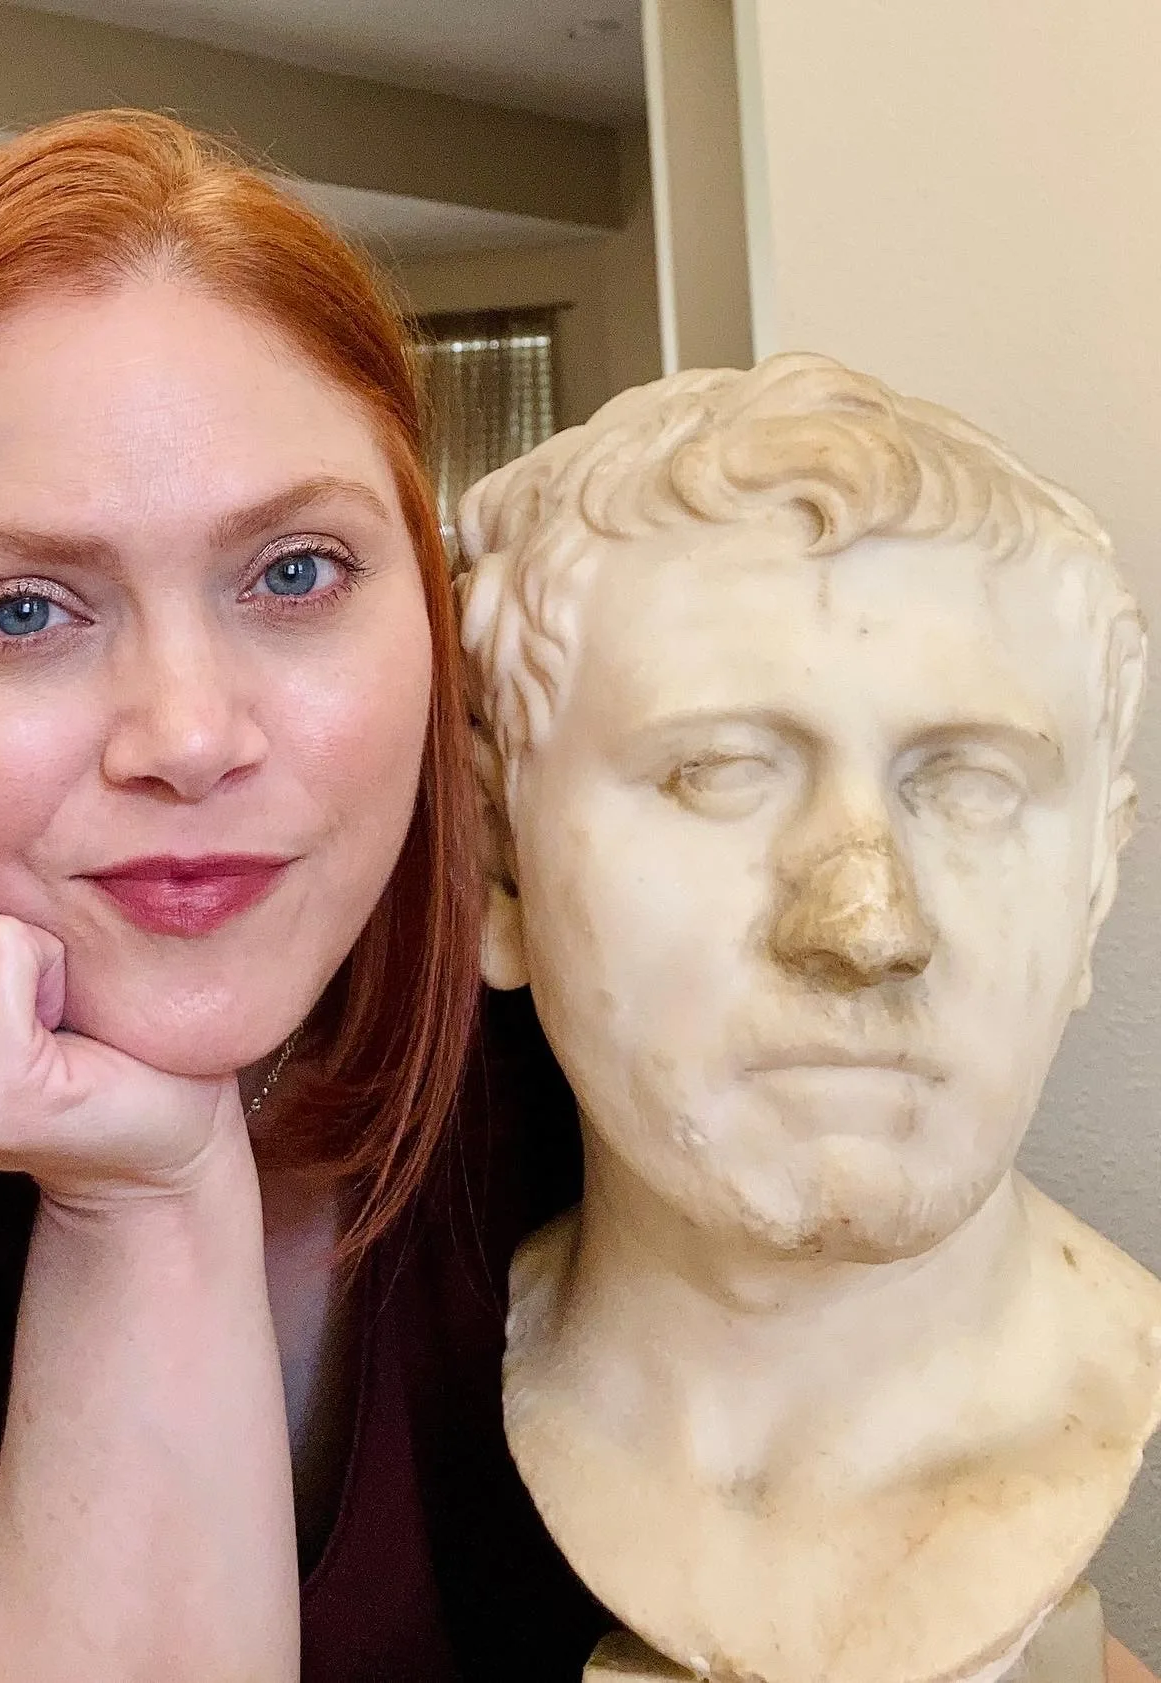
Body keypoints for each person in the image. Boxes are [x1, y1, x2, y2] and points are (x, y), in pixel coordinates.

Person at [0, 110, 608, 1681]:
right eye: (22, 609)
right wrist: (140, 1195)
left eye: (293, 574)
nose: (190, 736)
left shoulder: (581, 1059)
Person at [455, 355, 1161, 1683]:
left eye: (970, 784)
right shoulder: (398, 1375)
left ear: (1099, 877)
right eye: (717, 769)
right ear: (499, 859)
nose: (866, 923)